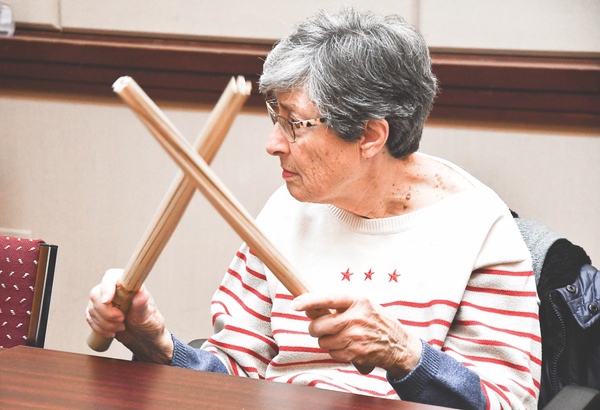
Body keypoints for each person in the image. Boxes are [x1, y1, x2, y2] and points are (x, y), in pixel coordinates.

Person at [86, 8, 541, 410]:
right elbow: (236, 379)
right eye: (273, 117)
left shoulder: (478, 228)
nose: (272, 144)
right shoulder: (286, 210)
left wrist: (405, 354)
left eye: (295, 124)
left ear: (369, 136)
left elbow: (506, 403)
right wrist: (158, 346)